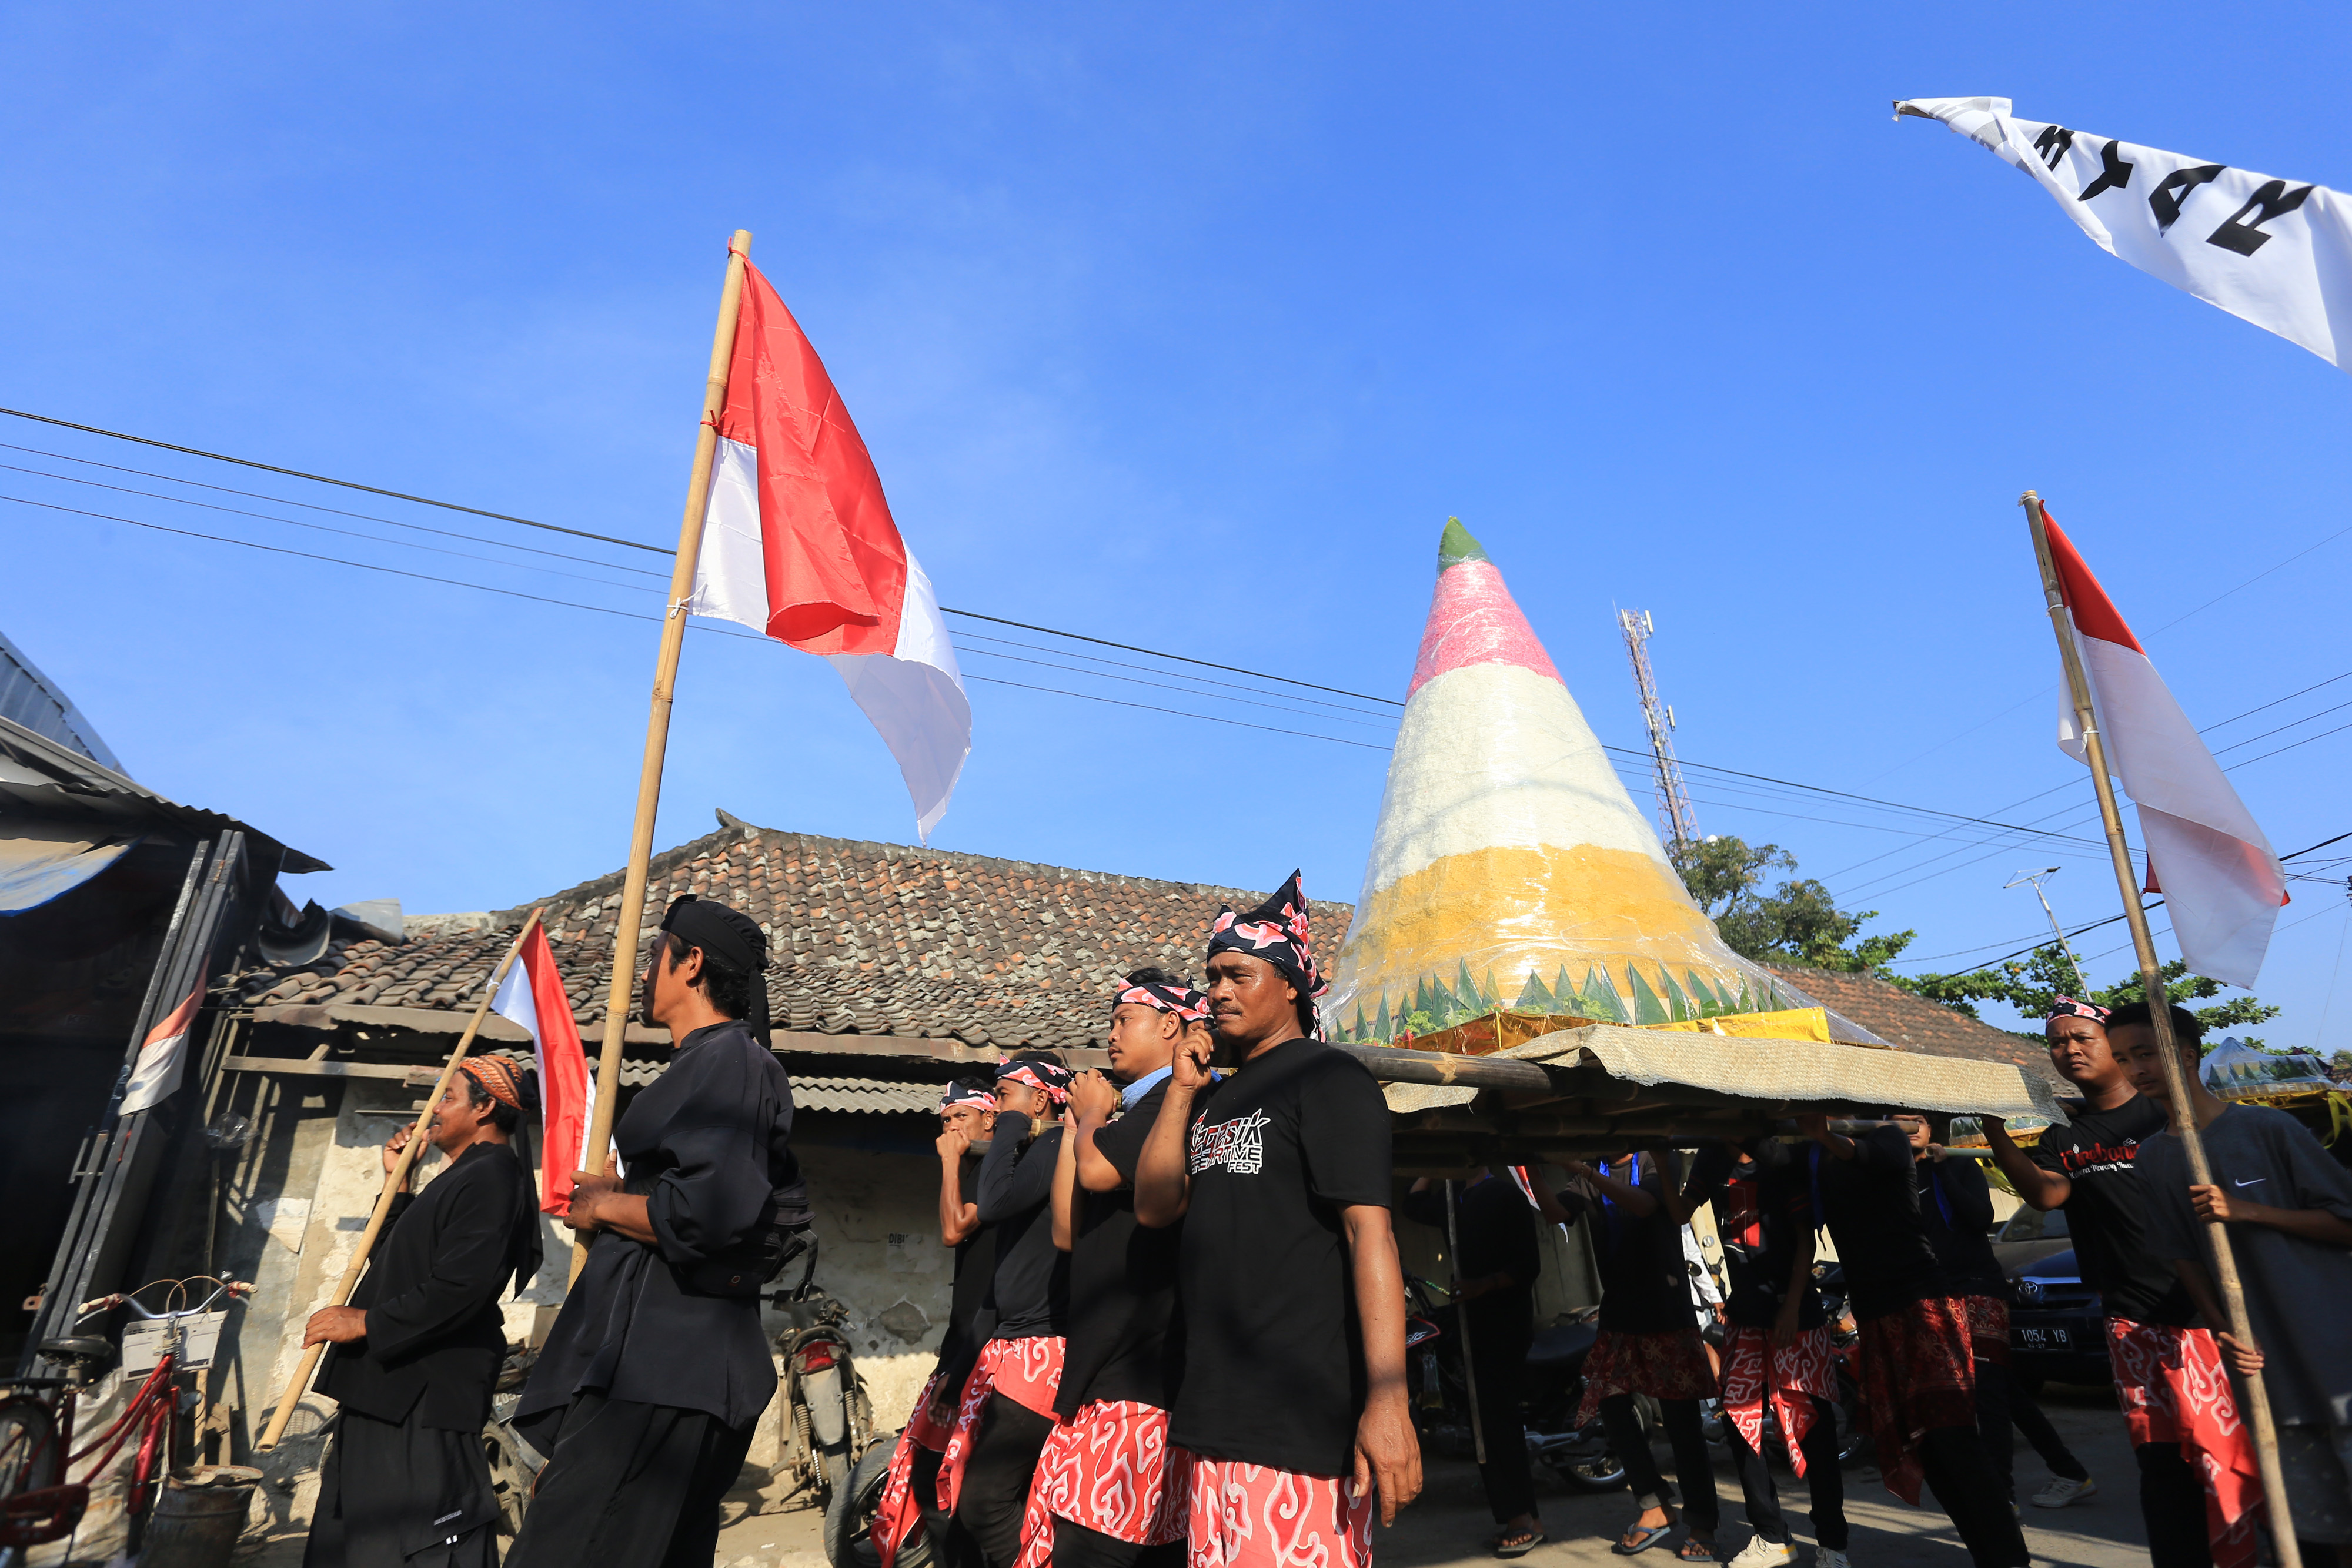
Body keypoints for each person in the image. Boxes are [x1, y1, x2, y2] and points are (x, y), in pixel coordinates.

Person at [506, 895, 807, 1568]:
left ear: (691, 963)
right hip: (653, 1368)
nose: (643, 974)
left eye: (653, 956)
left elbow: (709, 1212)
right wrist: (621, 1193)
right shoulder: (707, 1063)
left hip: (664, 1372)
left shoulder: (732, 1063)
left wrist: (604, 1209)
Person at [1134, 872, 1418, 1568]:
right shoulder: (1212, 1098)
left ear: (1290, 982)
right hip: (1216, 1414)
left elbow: (1369, 1233)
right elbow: (1154, 1206)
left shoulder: (1328, 1080)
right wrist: (1180, 1090)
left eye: (1238, 973)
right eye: (1211, 978)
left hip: (1302, 1419)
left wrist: (1388, 1401)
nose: (1219, 991)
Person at [1983, 999, 2231, 1568]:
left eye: (2081, 1038)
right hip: (2131, 1318)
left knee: (2227, 1457)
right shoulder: (2065, 1135)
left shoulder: (2166, 1114)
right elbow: (2047, 1194)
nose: (2068, 1049)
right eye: (2056, 1042)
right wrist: (1995, 1131)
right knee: (2162, 1465)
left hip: (2208, 1315)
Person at [2115, 1001, 2350, 1562]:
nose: (2136, 1068)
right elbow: (2182, 1256)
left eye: (2146, 1053)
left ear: (2188, 1053)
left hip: (2338, 1352)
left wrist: (2246, 1210)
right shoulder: (2151, 1159)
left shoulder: (2268, 1127)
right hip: (2267, 1370)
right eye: (2125, 1058)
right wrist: (2224, 1330)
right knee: (2317, 1532)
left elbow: (2346, 1222)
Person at [303, 1057, 543, 1568]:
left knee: (422, 1543)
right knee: (355, 1539)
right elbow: (399, 1265)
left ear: (485, 1109)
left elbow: (463, 1286)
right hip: (388, 1391)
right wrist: (401, 1185)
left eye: (448, 1096)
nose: (433, 1108)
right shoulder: (460, 1176)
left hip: (421, 1396)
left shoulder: (493, 1176)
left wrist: (367, 1321)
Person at [1022, 969, 1207, 1568]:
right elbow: (1065, 1229)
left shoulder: (1173, 1101)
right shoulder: (1126, 1113)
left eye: (1124, 1020)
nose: (1111, 1035)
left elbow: (1099, 1174)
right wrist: (1078, 1123)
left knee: (1100, 1544)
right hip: (1107, 1359)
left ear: (1170, 1025)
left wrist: (1093, 1119)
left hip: (1143, 1365)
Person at [1799, 1112, 2028, 1567]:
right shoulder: (1812, 1153)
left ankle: (2009, 1558)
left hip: (1922, 1306)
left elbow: (1865, 1151)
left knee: (1954, 1438)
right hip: (1878, 1314)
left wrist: (1825, 1133)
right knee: (1926, 1446)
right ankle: (1991, 1556)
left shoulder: (1886, 1137)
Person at [1898, 1112, 2093, 1513]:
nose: (1908, 1128)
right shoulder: (1897, 1177)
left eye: (1915, 1120)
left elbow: (1980, 1217)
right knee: (2005, 1390)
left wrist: (1943, 1171)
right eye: (1897, 1122)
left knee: (1987, 1392)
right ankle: (2070, 1471)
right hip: (1936, 1294)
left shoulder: (1957, 1163)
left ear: (1931, 1129)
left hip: (1977, 1286)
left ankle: (2002, 1496)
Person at [1534, 1152, 1719, 1560]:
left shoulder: (1655, 1157)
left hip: (1666, 1312)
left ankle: (1702, 1522)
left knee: (1681, 1423)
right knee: (1612, 1407)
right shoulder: (1594, 1167)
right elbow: (1556, 1213)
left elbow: (1646, 1204)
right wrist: (1531, 1169)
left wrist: (1581, 1170)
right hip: (1619, 1313)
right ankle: (1654, 1504)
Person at [1682, 1138, 1848, 1568]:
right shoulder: (1712, 1154)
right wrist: (1661, 1160)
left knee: (1815, 1428)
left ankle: (1832, 1542)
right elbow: (1682, 1211)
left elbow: (1803, 1241)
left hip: (1796, 1314)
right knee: (1740, 1420)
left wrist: (1791, 1306)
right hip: (1746, 1313)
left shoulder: (1780, 1156)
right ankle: (1772, 1535)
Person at [938, 1053, 1074, 1568]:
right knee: (970, 1491)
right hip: (1011, 1344)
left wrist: (1012, 1126)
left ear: (1041, 1099)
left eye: (1005, 1095)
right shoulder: (1033, 1148)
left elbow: (990, 1205)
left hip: (1043, 1347)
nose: (997, 1108)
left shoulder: (1057, 1144)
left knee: (985, 1499)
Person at [875, 1080, 1002, 1568]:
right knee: (937, 1481)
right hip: (963, 1343)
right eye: (945, 1120)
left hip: (982, 1347)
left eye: (961, 1118)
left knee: (949, 1483)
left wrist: (950, 1160)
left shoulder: (993, 1173)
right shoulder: (976, 1173)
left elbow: (952, 1230)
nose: (950, 1129)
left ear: (989, 1122)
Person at [1399, 1169, 1542, 1557]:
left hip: (1505, 1324)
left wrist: (1485, 1284)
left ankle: (1523, 1519)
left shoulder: (1503, 1195)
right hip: (1472, 1323)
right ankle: (1520, 1516)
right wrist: (1429, 1172)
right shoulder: (1455, 1198)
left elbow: (1528, 1264)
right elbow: (1412, 1204)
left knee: (1499, 1420)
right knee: (1484, 1420)